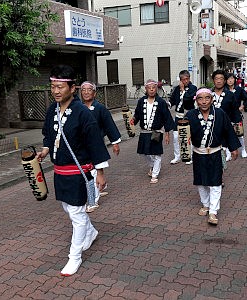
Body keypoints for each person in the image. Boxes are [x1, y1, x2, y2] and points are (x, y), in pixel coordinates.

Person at [36, 65, 110, 276]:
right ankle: (92, 231)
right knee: (68, 209)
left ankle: (74, 257)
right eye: (53, 87)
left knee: (76, 214)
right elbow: (48, 134)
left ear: (72, 88)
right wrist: (45, 149)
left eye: (60, 87)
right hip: (59, 172)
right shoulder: (52, 109)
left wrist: (101, 172)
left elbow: (95, 143)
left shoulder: (83, 113)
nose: (56, 91)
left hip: (79, 172)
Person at [185, 88, 241, 225]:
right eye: (200, 98)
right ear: (196, 101)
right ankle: (205, 204)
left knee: (215, 182)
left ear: (212, 99)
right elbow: (183, 133)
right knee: (201, 181)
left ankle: (213, 211)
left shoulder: (220, 113)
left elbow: (228, 131)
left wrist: (233, 148)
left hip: (215, 153)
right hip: (199, 154)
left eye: (207, 98)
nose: (204, 101)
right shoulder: (191, 115)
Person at [80, 81, 121, 212]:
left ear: (94, 93)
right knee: (88, 172)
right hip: (81, 147)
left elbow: (109, 125)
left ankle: (93, 201)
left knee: (93, 172)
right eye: (83, 90)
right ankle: (101, 185)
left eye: (89, 90)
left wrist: (115, 142)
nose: (86, 92)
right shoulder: (77, 108)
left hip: (96, 145)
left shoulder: (100, 108)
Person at [131, 79, 174, 183]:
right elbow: (137, 114)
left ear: (156, 89)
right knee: (144, 153)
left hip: (156, 132)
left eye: (153, 88)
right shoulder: (141, 101)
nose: (151, 90)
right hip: (144, 132)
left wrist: (167, 134)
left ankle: (154, 174)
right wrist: (134, 119)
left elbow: (166, 118)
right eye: (149, 88)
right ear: (146, 89)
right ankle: (152, 166)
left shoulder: (161, 102)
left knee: (157, 153)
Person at [169, 70, 197, 165]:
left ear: (189, 78)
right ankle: (177, 156)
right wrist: (168, 104)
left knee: (189, 136)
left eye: (187, 79)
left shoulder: (193, 88)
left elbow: (188, 98)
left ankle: (190, 156)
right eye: (183, 79)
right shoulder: (177, 88)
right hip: (178, 115)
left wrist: (182, 90)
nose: (185, 81)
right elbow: (172, 99)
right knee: (176, 136)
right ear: (180, 80)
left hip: (189, 114)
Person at [225, 72, 247, 159]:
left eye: (232, 78)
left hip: (236, 114)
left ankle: (243, 149)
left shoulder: (239, 89)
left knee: (239, 134)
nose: (230, 80)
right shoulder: (224, 90)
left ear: (235, 79)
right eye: (228, 79)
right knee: (227, 134)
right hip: (226, 115)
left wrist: (242, 106)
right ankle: (228, 153)